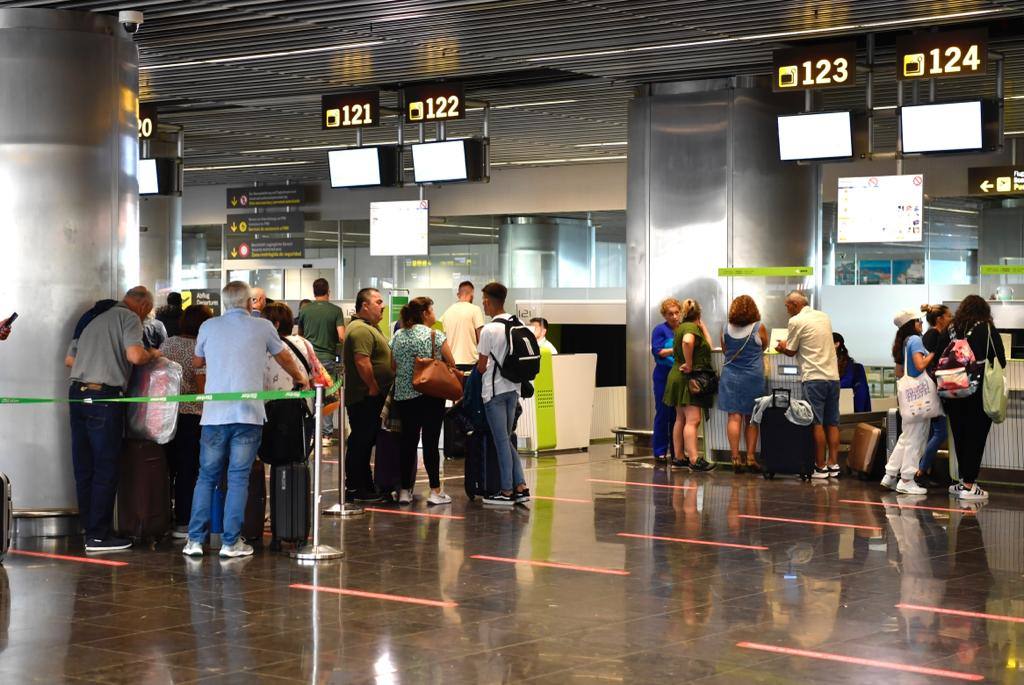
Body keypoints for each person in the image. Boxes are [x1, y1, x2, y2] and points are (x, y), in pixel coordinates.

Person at [182, 282, 309, 559]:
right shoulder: (263, 327)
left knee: (206, 477)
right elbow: (284, 356)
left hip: (214, 415)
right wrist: (301, 378)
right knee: (238, 478)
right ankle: (230, 543)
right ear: (248, 302)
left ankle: (194, 540)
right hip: (248, 415)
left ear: (224, 302)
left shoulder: (208, 327)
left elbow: (196, 362)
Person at [66, 286, 161, 552]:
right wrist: (152, 353)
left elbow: (69, 359)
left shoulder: (92, 317)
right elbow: (135, 355)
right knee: (105, 466)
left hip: (77, 394)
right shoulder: (128, 318)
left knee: (84, 467)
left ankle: (89, 529)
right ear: (142, 307)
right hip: (104, 397)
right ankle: (99, 535)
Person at [390, 297, 457, 505]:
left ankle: (404, 491)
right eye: (432, 309)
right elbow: (451, 363)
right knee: (430, 443)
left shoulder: (398, 336)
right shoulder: (436, 336)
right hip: (430, 395)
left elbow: (393, 366)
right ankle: (435, 491)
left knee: (407, 442)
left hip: (404, 396)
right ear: (425, 313)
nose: (434, 313)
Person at [937, 295, 1005, 501]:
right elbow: (1000, 358)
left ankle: (962, 481)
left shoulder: (950, 329)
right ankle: (969, 484)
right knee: (976, 436)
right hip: (977, 392)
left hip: (952, 391)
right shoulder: (986, 328)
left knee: (960, 435)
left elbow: (938, 356)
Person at [160, 304, 214, 539]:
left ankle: (163, 516)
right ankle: (183, 521)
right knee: (188, 470)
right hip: (191, 416)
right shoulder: (200, 348)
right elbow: (203, 387)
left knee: (167, 468)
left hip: (164, 415)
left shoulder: (167, 343)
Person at [776, 291, 841, 480]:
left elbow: (790, 350)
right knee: (832, 422)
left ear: (795, 305)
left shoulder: (795, 321)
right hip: (832, 377)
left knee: (816, 422)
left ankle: (820, 466)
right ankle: (833, 464)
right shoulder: (824, 316)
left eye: (787, 306)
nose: (786, 309)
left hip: (814, 378)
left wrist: (781, 346)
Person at [476, 282, 530, 505]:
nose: (483, 305)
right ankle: (521, 486)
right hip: (513, 389)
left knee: (501, 442)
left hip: (495, 392)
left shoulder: (489, 330)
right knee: (505, 439)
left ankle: (506, 491)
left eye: (483, 301)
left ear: (488, 301)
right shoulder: (517, 323)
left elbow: (481, 367)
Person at [342, 288, 394, 503]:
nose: (382, 306)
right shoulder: (361, 330)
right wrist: (373, 387)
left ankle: (364, 484)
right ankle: (357, 488)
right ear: (365, 305)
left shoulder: (369, 328)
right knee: (361, 442)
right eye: (378, 301)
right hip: (365, 397)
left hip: (370, 396)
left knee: (364, 441)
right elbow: (362, 362)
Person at [663, 298, 716, 472]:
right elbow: (688, 342)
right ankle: (694, 459)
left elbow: (708, 345)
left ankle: (679, 456)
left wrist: (703, 328)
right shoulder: (690, 329)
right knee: (693, 420)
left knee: (680, 418)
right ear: (699, 314)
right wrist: (690, 363)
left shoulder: (682, 327)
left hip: (676, 375)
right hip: (688, 377)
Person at [881, 310, 930, 495]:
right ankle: (907, 479)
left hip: (906, 394)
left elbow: (899, 372)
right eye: (920, 321)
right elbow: (919, 365)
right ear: (913, 323)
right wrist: (933, 354)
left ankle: (890, 473)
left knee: (907, 435)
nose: (922, 324)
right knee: (917, 436)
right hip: (918, 395)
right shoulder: (916, 340)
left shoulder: (902, 342)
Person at [718, 295, 767, 474]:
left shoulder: (725, 327)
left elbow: (725, 351)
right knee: (752, 418)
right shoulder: (758, 327)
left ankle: (735, 458)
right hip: (753, 376)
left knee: (734, 417)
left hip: (730, 375)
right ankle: (751, 458)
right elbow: (764, 347)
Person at [297, 279, 346, 440]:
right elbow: (341, 336)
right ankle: (326, 434)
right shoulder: (336, 311)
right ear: (328, 291)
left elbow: (300, 336)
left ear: (313, 292)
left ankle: (310, 433)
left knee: (310, 396)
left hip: (309, 360)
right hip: (328, 359)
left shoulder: (305, 310)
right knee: (328, 396)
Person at [919, 304, 953, 486]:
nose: (950, 319)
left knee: (933, 431)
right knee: (940, 432)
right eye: (948, 316)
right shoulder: (934, 335)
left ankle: (925, 469)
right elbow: (933, 361)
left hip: (933, 387)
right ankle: (921, 469)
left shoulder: (934, 335)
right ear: (940, 319)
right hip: (933, 388)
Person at [651, 299, 681, 462]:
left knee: (678, 415)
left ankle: (677, 451)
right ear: (664, 315)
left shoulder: (683, 328)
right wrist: (677, 350)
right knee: (663, 412)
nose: (674, 317)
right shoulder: (660, 330)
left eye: (677, 313)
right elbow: (658, 352)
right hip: (663, 376)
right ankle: (660, 450)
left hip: (679, 377)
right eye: (670, 314)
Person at [441, 281, 484, 372]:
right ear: (472, 295)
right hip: (471, 362)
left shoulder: (447, 312)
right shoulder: (475, 310)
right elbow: (481, 338)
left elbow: (441, 339)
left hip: (452, 363)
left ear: (458, 294)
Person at [834, 333, 871, 413]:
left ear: (836, 344)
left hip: (848, 404)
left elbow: (846, 383)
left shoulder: (847, 363)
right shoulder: (827, 362)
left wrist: (827, 388)